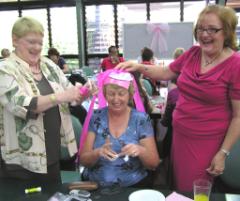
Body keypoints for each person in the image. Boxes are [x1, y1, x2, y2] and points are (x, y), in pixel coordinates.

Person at [116, 5, 240, 192]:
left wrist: (223, 153)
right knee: (178, 187)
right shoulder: (193, 53)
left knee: (194, 190)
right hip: (180, 135)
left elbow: (238, 116)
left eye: (212, 29)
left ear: (227, 31)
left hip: (207, 141)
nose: (204, 34)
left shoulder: (235, 65)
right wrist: (138, 66)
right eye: (200, 29)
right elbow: (166, 72)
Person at [0, 17, 95, 183]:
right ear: (15, 40)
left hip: (51, 155)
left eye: (40, 42)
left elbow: (70, 99)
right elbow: (21, 104)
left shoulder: (48, 65)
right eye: (31, 42)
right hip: (20, 162)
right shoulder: (5, 69)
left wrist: (83, 93)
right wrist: (62, 96)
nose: (37, 48)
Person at [79, 70, 160, 187]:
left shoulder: (140, 120)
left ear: (130, 95)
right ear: (105, 94)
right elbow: (84, 160)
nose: (116, 99)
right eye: (111, 94)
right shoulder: (96, 117)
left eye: (121, 94)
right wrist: (97, 153)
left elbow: (154, 163)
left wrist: (140, 150)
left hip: (132, 186)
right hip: (96, 186)